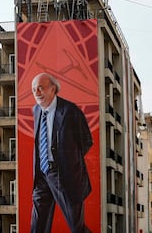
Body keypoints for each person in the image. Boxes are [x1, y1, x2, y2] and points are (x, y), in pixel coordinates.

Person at [30, 72, 93, 233]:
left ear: (53, 89)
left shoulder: (70, 111)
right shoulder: (36, 110)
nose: (36, 93)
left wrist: (69, 161)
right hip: (42, 175)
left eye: (40, 88)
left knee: (76, 226)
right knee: (38, 225)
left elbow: (86, 141)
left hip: (64, 175)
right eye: (33, 89)